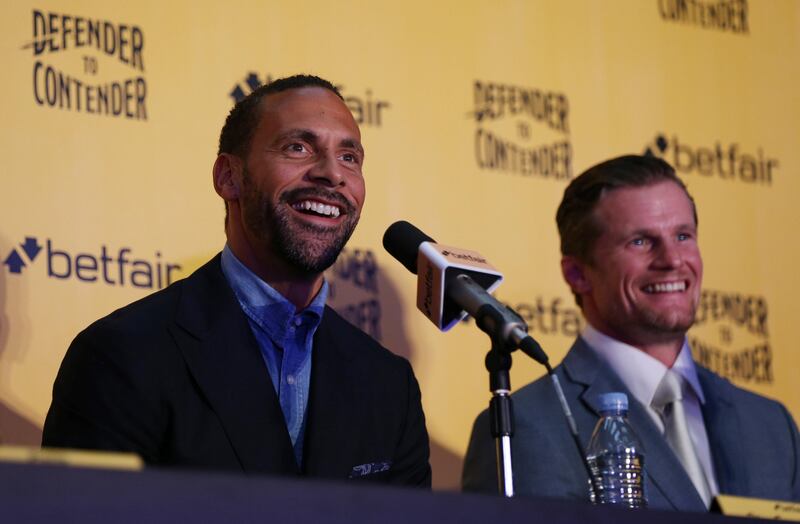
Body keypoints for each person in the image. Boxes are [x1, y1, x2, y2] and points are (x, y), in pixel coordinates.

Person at [42, 75, 431, 487]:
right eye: (298, 148)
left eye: (349, 157)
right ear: (229, 177)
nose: (333, 174)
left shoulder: (389, 386)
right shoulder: (122, 355)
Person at [462, 155, 800, 509]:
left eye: (683, 236)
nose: (672, 259)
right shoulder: (524, 430)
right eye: (640, 242)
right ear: (577, 274)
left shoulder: (771, 426)